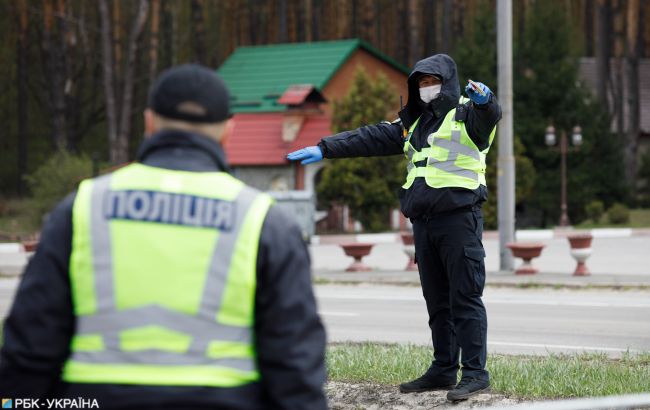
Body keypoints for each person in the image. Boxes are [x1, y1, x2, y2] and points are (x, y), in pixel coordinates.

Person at [0, 64, 328, 410]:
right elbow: (294, 366)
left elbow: (28, 352)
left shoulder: (83, 207)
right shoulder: (262, 219)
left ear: (149, 122)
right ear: (228, 132)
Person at [287, 54, 501, 401]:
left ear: (447, 81)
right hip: (425, 224)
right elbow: (370, 137)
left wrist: (486, 102)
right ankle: (444, 368)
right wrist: (324, 148)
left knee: (465, 298)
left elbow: (489, 116)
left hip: (459, 219)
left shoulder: (468, 114)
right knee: (438, 302)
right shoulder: (413, 123)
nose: (426, 87)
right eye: (420, 82)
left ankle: (475, 373)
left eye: (432, 80)